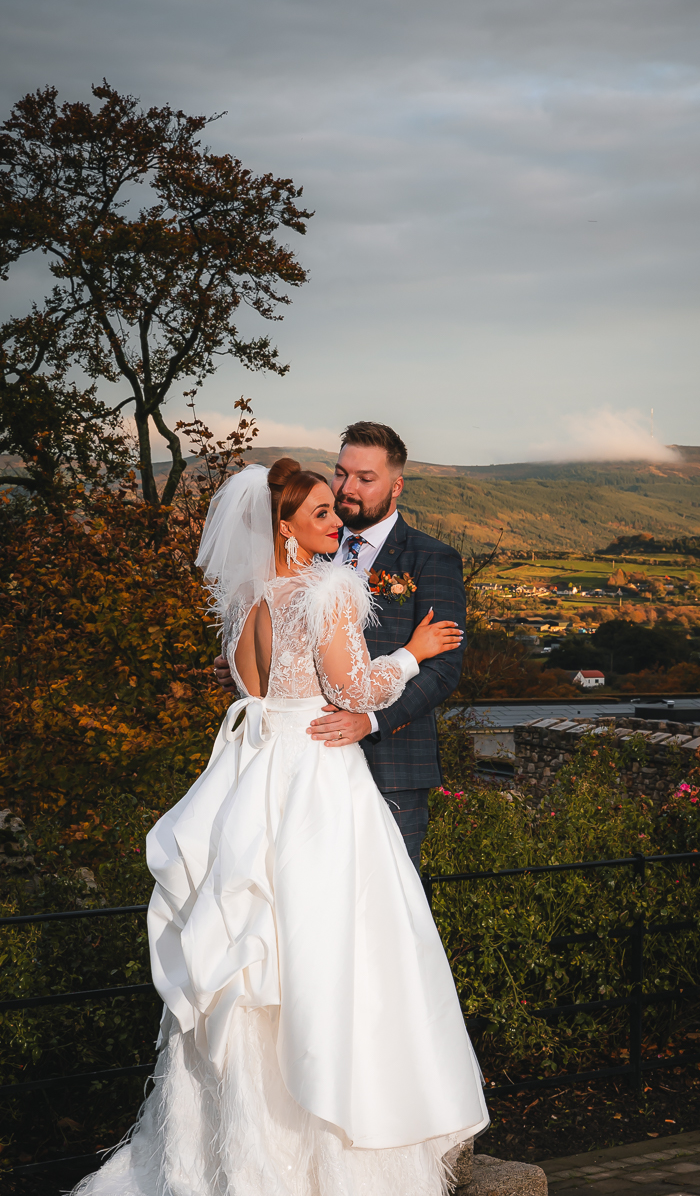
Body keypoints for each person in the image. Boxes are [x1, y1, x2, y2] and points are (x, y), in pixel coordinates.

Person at [71, 459, 488, 1196]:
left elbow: (262, 694)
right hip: (319, 784)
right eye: (323, 514)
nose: (338, 524)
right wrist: (412, 653)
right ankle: (333, 1154)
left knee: (257, 958)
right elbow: (354, 691)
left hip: (255, 781)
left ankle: (236, 1158)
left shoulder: (247, 604)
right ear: (287, 528)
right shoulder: (325, 593)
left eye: (338, 510)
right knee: (334, 957)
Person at [214, 422, 466, 869]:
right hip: (294, 762)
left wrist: (369, 720)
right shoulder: (313, 546)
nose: (348, 489)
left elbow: (444, 670)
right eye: (340, 473)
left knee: (384, 903)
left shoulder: (431, 558)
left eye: (365, 479)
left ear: (396, 485)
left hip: (392, 764)